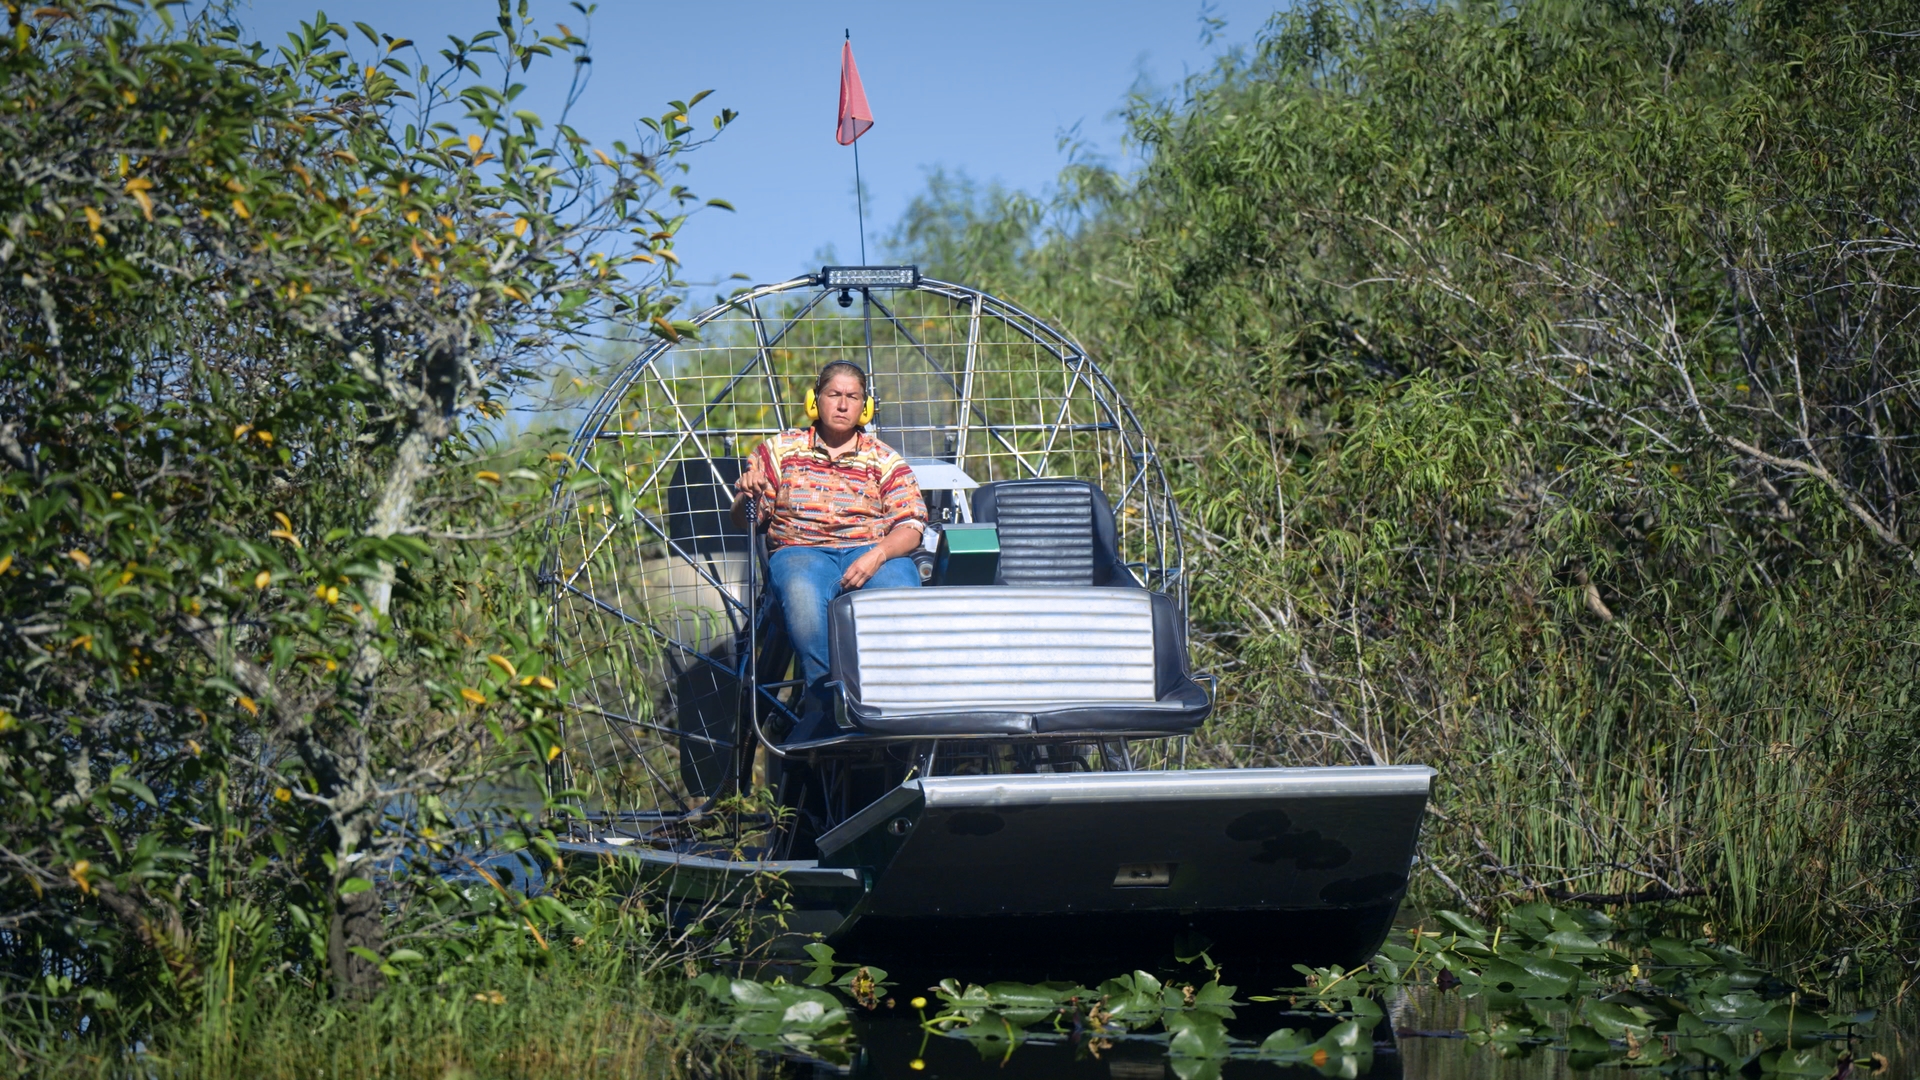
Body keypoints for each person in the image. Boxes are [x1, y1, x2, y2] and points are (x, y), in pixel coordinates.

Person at [731, 361, 926, 740]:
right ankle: (824, 703)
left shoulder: (884, 459)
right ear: (814, 401)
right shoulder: (781, 450)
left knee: (900, 588)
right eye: (833, 394)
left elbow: (911, 526)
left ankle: (890, 702)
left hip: (871, 551)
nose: (842, 404)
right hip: (801, 551)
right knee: (802, 590)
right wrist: (747, 495)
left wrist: (877, 555)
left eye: (852, 397)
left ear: (864, 407)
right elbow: (745, 520)